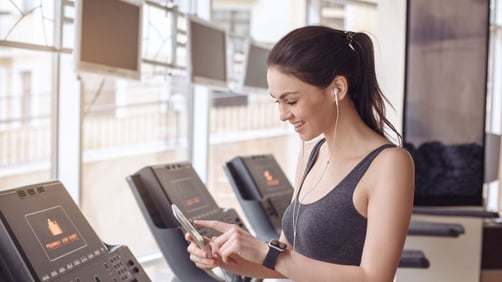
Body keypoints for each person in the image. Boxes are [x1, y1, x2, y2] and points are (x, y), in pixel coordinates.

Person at [186, 25, 415, 282]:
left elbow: (374, 278)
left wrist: (266, 252)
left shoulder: (389, 164)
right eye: (278, 102)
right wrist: (224, 257)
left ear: (337, 88)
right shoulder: (311, 153)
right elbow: (287, 261)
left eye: (291, 101)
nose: (283, 115)